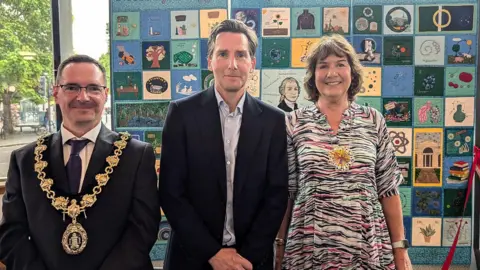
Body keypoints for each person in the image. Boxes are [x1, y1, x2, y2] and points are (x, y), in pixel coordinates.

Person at [0, 55, 160, 270]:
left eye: (93, 88)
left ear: (105, 94)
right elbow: (11, 233)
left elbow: (143, 228)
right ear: (56, 93)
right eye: (72, 87)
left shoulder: (136, 156)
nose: (83, 97)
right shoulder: (24, 160)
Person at [274, 35, 412, 270]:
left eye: (340, 64)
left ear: (352, 72)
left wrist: (400, 249)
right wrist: (279, 245)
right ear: (312, 74)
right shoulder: (294, 122)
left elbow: (388, 190)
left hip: (368, 245)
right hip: (308, 245)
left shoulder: (373, 120)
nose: (332, 73)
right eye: (323, 66)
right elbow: (286, 193)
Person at [159, 19, 288, 270]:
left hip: (251, 261)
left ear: (252, 63)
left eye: (241, 54)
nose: (232, 64)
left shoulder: (274, 120)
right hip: (192, 257)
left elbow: (276, 195)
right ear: (210, 61)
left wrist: (246, 258)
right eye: (223, 54)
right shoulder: (181, 114)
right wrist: (213, 254)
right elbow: (171, 193)